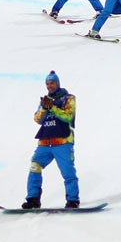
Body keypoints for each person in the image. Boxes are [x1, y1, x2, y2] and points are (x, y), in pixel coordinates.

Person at [22, 71, 79, 209]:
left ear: (57, 83)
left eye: (52, 83)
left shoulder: (68, 98)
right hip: (45, 142)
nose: (49, 86)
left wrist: (52, 107)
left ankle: (72, 200)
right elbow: (37, 119)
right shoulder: (44, 100)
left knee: (68, 172)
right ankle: (32, 199)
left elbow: (68, 116)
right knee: (35, 166)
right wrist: (45, 108)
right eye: (47, 83)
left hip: (62, 141)